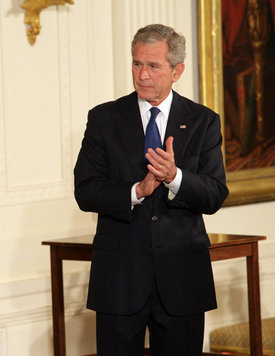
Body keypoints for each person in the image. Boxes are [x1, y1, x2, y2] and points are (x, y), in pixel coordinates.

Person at [74, 24, 229, 355]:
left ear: (177, 71)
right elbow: (86, 190)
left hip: (182, 278)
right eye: (136, 64)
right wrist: (136, 191)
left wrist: (175, 177)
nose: (142, 75)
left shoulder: (203, 121)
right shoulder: (104, 119)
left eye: (153, 66)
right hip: (120, 278)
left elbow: (215, 193)